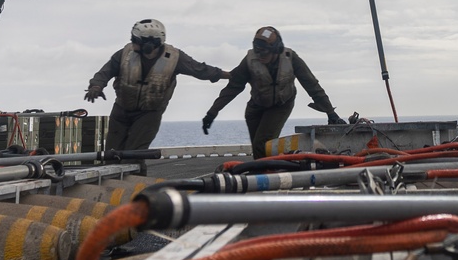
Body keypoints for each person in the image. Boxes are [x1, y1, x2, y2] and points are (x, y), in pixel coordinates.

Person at [86, 18, 229, 153]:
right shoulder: (125, 54)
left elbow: (200, 70)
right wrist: (96, 87)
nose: (132, 42)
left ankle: (137, 179)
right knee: (111, 154)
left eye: (136, 40)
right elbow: (104, 72)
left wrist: (229, 75)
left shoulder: (174, 58)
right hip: (121, 111)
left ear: (150, 44)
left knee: (134, 154)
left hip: (149, 114)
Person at [202, 25, 344, 157]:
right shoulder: (249, 60)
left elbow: (312, 86)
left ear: (276, 49)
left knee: (263, 145)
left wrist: (330, 112)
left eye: (264, 51)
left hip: (280, 106)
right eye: (257, 51)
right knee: (258, 150)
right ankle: (263, 177)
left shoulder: (291, 58)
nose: (260, 56)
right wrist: (212, 113)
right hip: (255, 108)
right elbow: (232, 88)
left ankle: (268, 176)